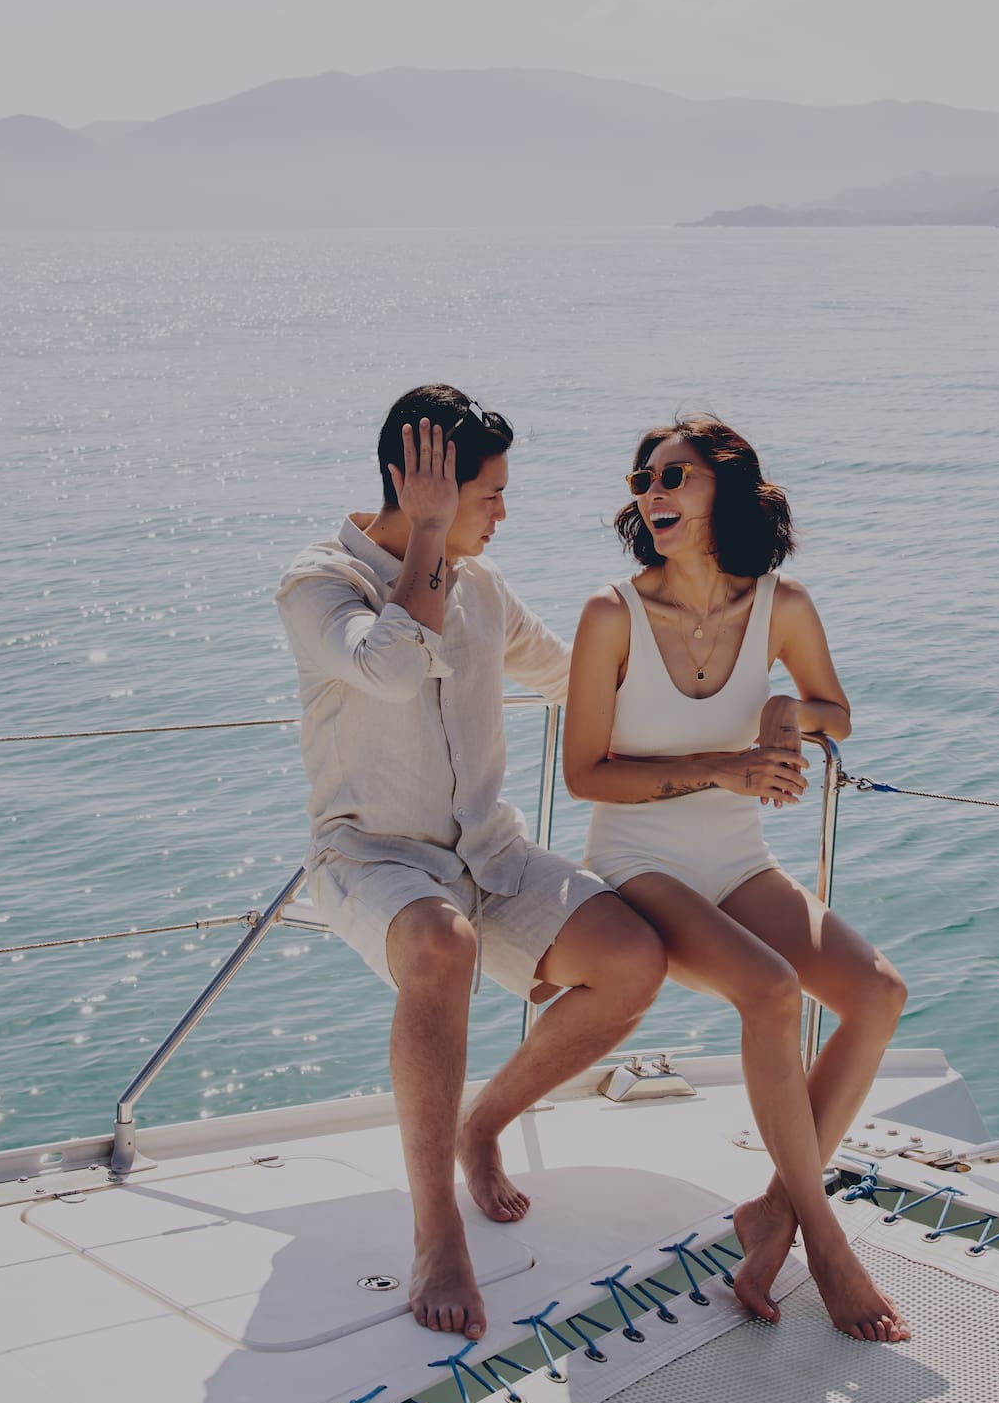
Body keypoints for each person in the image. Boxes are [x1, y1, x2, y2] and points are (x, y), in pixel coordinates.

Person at [276, 384, 665, 1341]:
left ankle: (479, 1126)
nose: (502, 512)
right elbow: (389, 668)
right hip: (373, 859)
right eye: (488, 494)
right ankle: (434, 1226)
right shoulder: (319, 585)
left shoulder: (483, 588)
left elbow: (575, 672)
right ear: (429, 495)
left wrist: (718, 696)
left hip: (489, 852)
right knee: (441, 947)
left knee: (632, 963)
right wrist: (426, 543)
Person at [564, 414, 910, 1343]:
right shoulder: (611, 615)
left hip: (737, 861)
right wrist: (723, 765)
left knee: (877, 994)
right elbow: (584, 773)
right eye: (645, 480)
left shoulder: (780, 607)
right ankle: (824, 1239)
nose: (653, 493)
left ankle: (775, 1210)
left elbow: (839, 711)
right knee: (770, 991)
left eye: (673, 476)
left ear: (726, 489)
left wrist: (790, 710)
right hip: (638, 861)